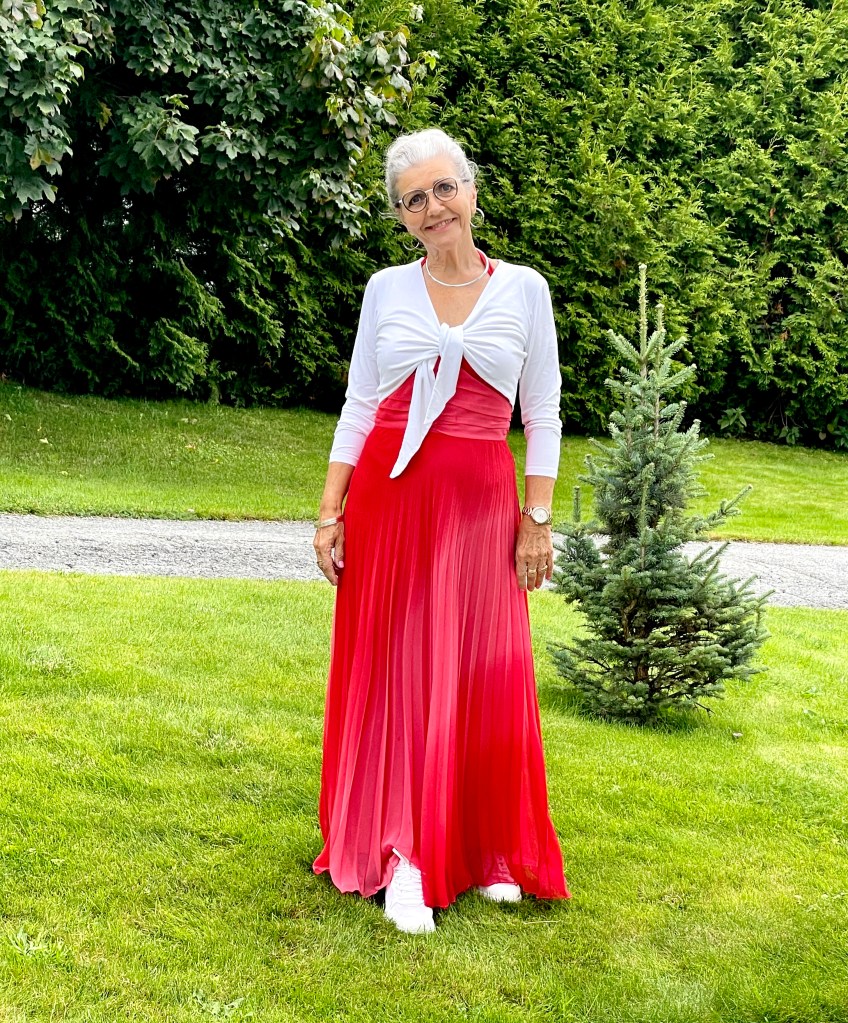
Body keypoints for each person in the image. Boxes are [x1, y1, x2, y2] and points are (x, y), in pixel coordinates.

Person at [312, 128, 571, 934]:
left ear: (471, 191)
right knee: (401, 669)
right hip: (391, 504)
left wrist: (536, 519)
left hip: (482, 507)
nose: (432, 208)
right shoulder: (384, 290)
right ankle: (404, 855)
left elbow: (543, 413)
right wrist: (329, 511)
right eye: (413, 199)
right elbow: (360, 403)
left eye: (443, 189)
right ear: (402, 216)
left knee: (483, 666)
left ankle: (487, 846)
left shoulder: (525, 289)